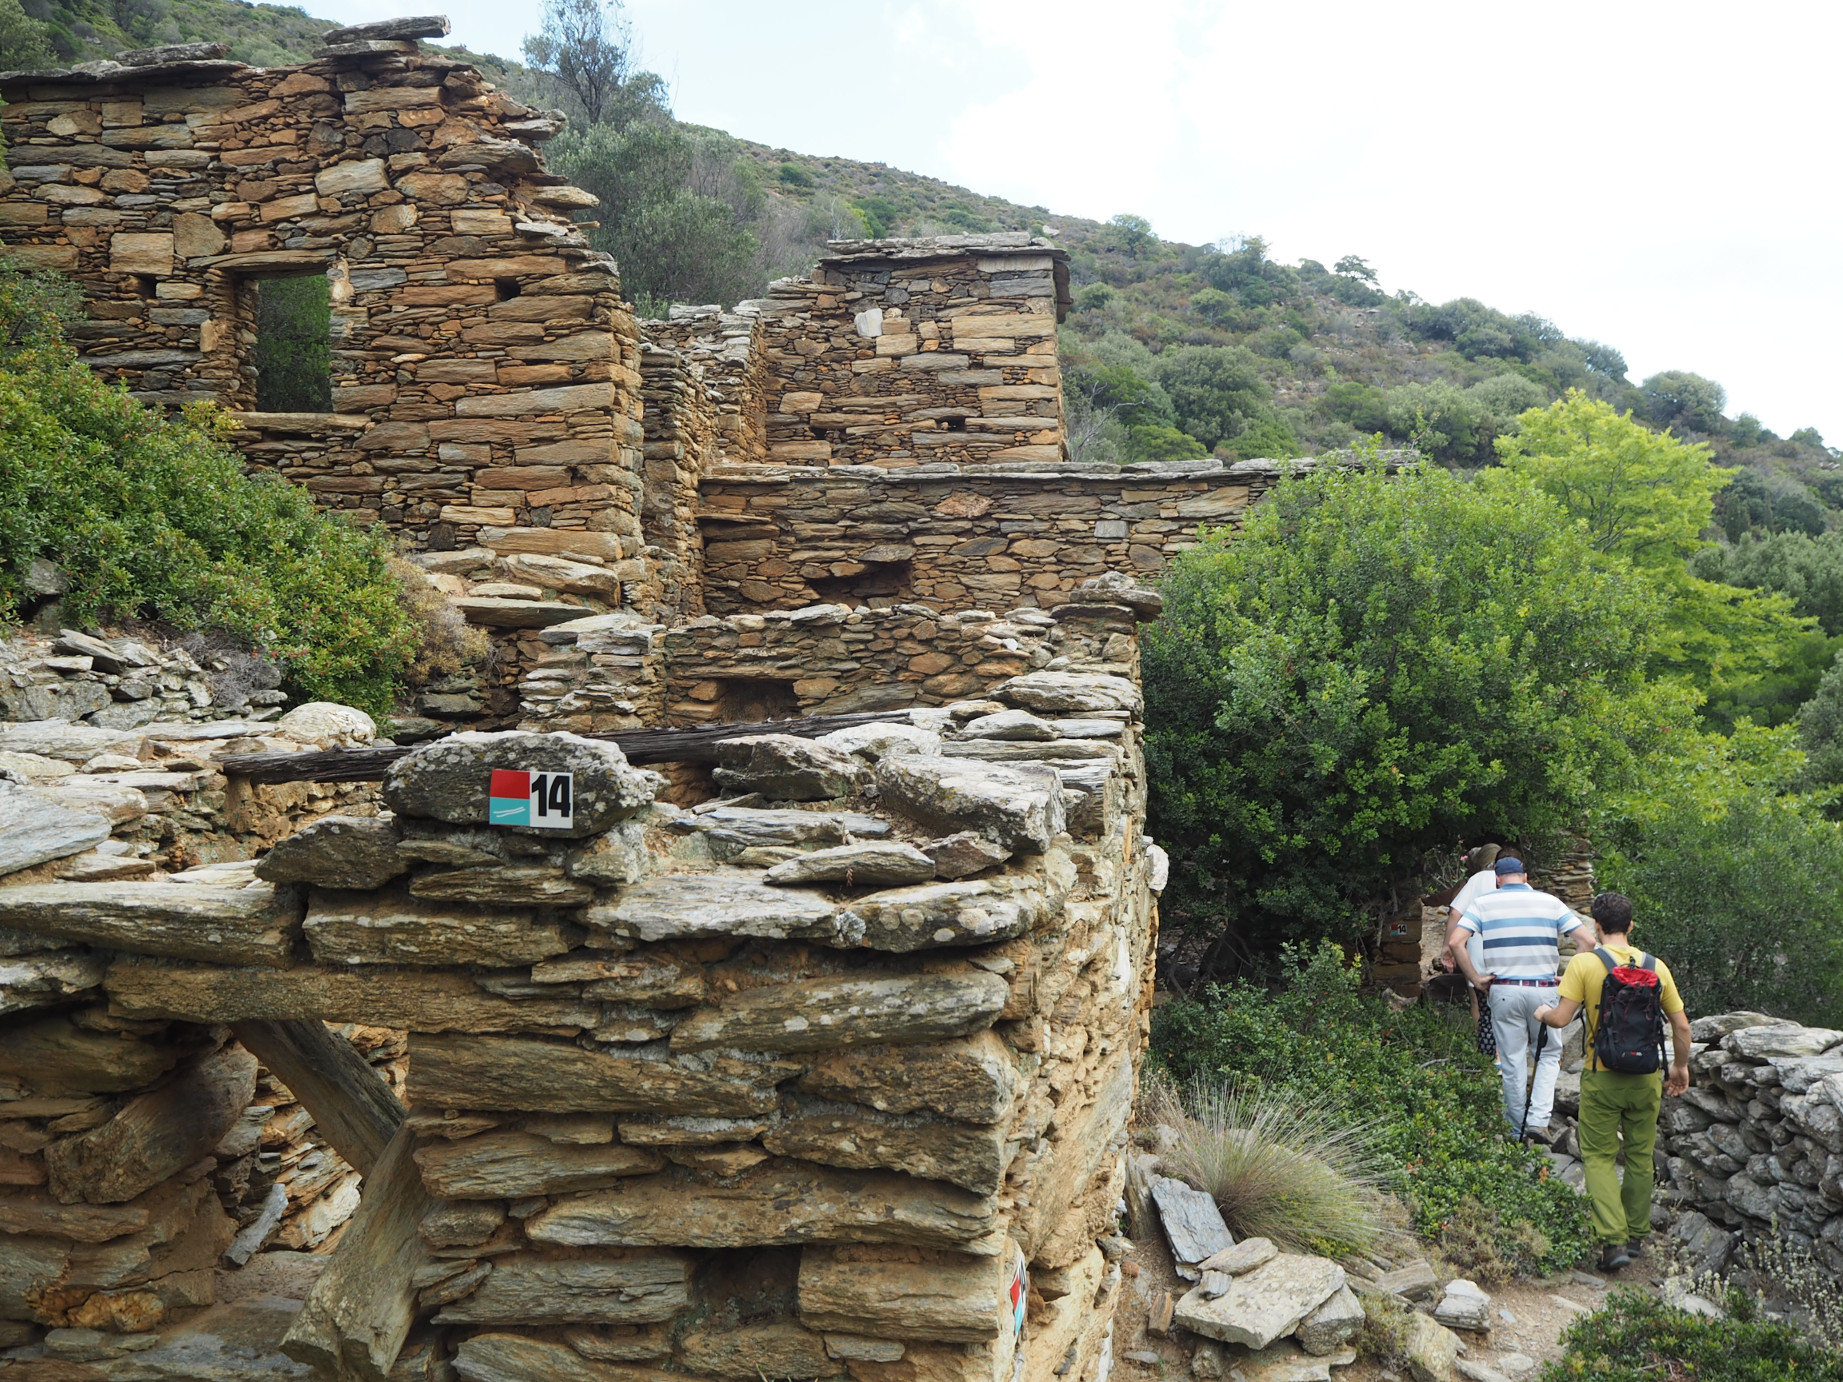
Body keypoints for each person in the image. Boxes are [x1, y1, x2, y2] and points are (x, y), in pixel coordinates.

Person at [1535, 892, 1691, 1273]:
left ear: (1596, 927)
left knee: (1600, 1158)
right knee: (1640, 1156)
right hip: (1646, 1078)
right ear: (1631, 926)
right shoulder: (1657, 967)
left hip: (1603, 1076)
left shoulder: (1586, 964)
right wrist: (1681, 1069)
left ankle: (1613, 1242)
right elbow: (1681, 1026)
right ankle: (1636, 1234)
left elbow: (1560, 1019)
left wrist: (1542, 1011)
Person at [1447, 854, 1588, 1144]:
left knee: (1511, 1059)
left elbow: (1455, 941)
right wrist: (1572, 974)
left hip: (1503, 989)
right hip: (1543, 990)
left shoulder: (1483, 904)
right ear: (1525, 878)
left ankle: (1516, 1129)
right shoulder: (1549, 902)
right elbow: (1588, 940)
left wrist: (1475, 978)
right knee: (1547, 1055)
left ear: (1497, 879)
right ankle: (1538, 1121)